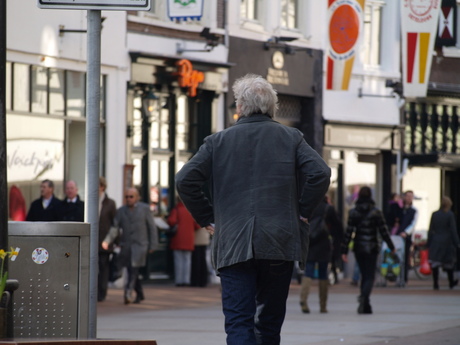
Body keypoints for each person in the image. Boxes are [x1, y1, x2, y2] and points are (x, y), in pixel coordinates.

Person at [176, 74, 331, 345]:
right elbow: (320, 173)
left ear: (240, 107)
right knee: (269, 325)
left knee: (238, 322)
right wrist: (302, 211)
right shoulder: (291, 137)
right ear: (272, 106)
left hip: (233, 241)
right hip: (278, 241)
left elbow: (184, 179)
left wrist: (207, 217)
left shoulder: (218, 142)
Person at [341, 186, 395, 314]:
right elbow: (384, 231)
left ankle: (365, 304)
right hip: (372, 247)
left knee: (364, 274)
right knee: (370, 275)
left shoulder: (353, 212)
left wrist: (344, 251)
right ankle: (364, 298)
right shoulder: (376, 212)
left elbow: (349, 232)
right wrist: (391, 246)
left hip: (359, 247)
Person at [102, 187, 158, 304]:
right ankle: (140, 294)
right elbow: (115, 228)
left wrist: (153, 244)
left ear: (137, 197)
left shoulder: (145, 209)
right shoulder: (121, 211)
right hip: (126, 245)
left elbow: (152, 227)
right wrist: (107, 240)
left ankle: (127, 292)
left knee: (133, 269)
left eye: (131, 196)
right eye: (126, 197)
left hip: (140, 245)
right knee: (131, 269)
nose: (128, 199)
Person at [299, 196, 341, 314]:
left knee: (308, 272)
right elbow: (338, 228)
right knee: (323, 274)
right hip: (324, 244)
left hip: (310, 243)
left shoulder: (307, 207)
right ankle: (323, 306)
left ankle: (303, 300)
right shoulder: (328, 209)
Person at [427, 196, 460, 290]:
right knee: (448, 263)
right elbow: (453, 230)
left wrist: (428, 242)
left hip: (436, 240)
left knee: (435, 263)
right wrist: (457, 242)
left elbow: (431, 229)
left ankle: (435, 283)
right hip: (447, 241)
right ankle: (451, 282)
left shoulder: (435, 214)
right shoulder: (450, 215)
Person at [167, 198, 200, 287]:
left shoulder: (176, 209)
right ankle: (186, 280)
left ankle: (179, 280)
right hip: (189, 238)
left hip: (178, 238)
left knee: (178, 260)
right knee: (187, 260)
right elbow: (197, 225)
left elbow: (171, 221)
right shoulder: (190, 211)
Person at [97, 176, 117, 301]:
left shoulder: (110, 203)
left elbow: (115, 224)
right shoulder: (89, 201)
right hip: (92, 242)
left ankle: (102, 293)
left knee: (103, 268)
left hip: (104, 242)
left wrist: (110, 241)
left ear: (102, 187)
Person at [396, 190, 418, 283]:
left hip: (406, 237)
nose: (409, 198)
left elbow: (413, 224)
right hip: (397, 236)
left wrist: (406, 232)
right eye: (407, 196)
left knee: (405, 257)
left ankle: (404, 277)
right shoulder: (399, 209)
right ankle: (396, 275)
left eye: (411, 196)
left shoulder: (414, 211)